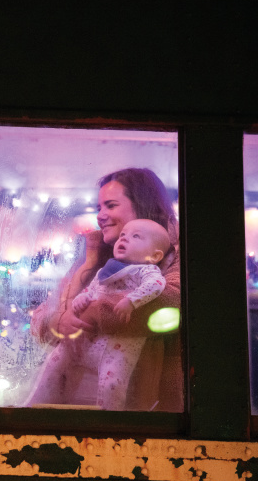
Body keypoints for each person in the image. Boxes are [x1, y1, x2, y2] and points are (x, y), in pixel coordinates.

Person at [28, 168, 181, 411]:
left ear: (143, 205)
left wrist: (86, 313)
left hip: (136, 413)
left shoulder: (175, 255)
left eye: (110, 205)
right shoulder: (94, 256)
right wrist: (59, 322)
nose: (101, 215)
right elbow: (39, 320)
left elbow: (169, 303)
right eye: (100, 207)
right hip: (64, 406)